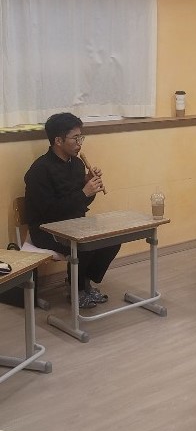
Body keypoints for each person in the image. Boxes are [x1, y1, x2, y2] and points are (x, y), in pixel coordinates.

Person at [24, 112, 119, 309]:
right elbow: (49, 212)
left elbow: (81, 204)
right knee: (85, 244)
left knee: (112, 239)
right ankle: (77, 290)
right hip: (46, 230)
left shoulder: (76, 164)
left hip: (75, 223)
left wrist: (89, 186)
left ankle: (82, 282)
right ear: (58, 140)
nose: (79, 143)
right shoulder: (39, 170)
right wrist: (84, 193)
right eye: (75, 138)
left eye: (81, 137)